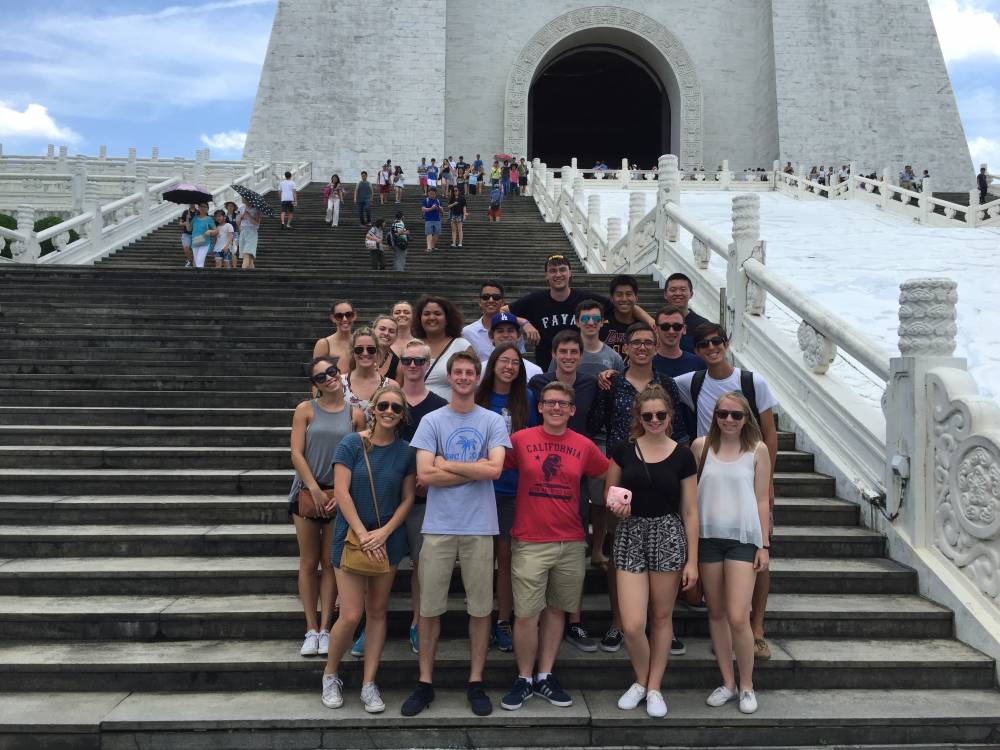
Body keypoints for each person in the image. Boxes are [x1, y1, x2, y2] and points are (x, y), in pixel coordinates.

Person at [402, 351, 511, 718]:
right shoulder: (432, 420)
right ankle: (425, 682)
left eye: (470, 372)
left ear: (478, 378)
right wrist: (472, 468)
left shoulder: (493, 420)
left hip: (480, 526)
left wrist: (446, 463)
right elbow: (425, 477)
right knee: (430, 609)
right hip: (439, 525)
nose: (464, 377)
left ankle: (476, 681)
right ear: (450, 377)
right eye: (458, 372)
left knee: (480, 609)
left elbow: (496, 470)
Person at [499, 381, 609, 711]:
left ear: (572, 410)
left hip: (571, 540)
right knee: (526, 614)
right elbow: (493, 466)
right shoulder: (521, 440)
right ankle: (524, 677)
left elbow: (608, 473)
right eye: (550, 403)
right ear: (541, 407)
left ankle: (545, 674)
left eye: (563, 404)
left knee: (557, 610)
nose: (557, 408)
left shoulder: (585, 445)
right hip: (530, 540)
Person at [672, 322, 778, 659]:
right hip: (711, 471)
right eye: (703, 345)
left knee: (759, 554)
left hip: (748, 473)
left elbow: (769, 433)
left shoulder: (751, 382)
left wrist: (769, 478)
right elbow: (656, 385)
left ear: (727, 343)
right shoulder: (693, 381)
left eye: (716, 342)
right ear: (697, 351)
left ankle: (756, 627)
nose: (711, 348)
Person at [589, 323, 690, 653]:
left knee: (663, 555)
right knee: (619, 552)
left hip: (661, 476)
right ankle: (619, 623)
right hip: (624, 475)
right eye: (636, 342)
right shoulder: (612, 383)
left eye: (649, 342)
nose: (643, 347)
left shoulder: (667, 385)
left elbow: (682, 430)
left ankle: (663, 624)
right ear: (626, 348)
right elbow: (595, 424)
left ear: (656, 346)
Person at [321, 384, 417, 713]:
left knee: (377, 611)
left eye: (397, 408)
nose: (389, 411)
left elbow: (407, 499)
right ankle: (330, 674)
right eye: (384, 405)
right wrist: (364, 534)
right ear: (373, 408)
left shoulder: (406, 452)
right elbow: (342, 492)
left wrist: (385, 532)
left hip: (387, 538)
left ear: (403, 415)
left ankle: (368, 682)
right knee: (350, 614)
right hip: (351, 535)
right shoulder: (351, 443)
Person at [606, 384, 699, 718]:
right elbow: (610, 494)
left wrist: (693, 561)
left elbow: (690, 511)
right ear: (639, 417)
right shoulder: (623, 450)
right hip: (631, 533)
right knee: (631, 624)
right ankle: (643, 681)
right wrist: (616, 509)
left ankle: (653, 686)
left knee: (661, 616)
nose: (655, 420)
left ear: (670, 416)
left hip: (668, 533)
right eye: (648, 415)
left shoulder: (683, 455)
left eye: (661, 414)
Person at [692, 391, 770, 715]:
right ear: (715, 415)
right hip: (708, 537)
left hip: (742, 538)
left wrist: (764, 545)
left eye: (736, 415)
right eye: (723, 413)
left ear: (746, 418)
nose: (728, 420)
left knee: (739, 616)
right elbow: (691, 494)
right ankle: (728, 682)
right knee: (716, 613)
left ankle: (748, 683)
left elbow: (763, 499)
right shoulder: (701, 447)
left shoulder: (757, 450)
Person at [527, 330, 604, 649]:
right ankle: (540, 613)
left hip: (578, 469)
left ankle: (574, 619)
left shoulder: (591, 384)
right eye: (564, 351)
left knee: (575, 544)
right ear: (554, 354)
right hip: (541, 466)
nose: (569, 356)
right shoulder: (537, 384)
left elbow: (598, 421)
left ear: (581, 355)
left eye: (574, 351)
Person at [290, 356, 358, 659]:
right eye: (320, 377)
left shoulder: (354, 414)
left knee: (331, 563)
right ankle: (311, 628)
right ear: (314, 384)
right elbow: (296, 452)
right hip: (307, 490)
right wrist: (314, 488)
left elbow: (357, 457)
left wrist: (336, 492)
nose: (329, 378)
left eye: (331, 372)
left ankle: (327, 627)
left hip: (338, 493)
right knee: (308, 561)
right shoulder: (306, 410)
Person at [476, 343, 539, 654]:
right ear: (493, 364)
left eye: (515, 362)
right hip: (479, 488)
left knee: (505, 558)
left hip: (512, 489)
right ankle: (481, 617)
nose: (510, 367)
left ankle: (502, 620)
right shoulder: (479, 397)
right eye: (504, 361)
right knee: (480, 559)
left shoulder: (525, 398)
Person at [398, 339, 448, 654]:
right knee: (379, 565)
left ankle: (417, 622)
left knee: (421, 565)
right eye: (407, 360)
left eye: (419, 361)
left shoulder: (439, 405)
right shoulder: (387, 400)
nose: (413, 366)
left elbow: (445, 449)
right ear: (400, 363)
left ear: (428, 365)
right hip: (387, 496)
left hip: (423, 498)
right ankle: (366, 624)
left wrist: (431, 476)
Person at [507, 253, 612, 372]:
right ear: (546, 275)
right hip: (547, 372)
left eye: (562, 270)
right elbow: (501, 311)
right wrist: (525, 323)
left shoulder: (586, 299)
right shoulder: (535, 300)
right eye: (552, 271)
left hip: (581, 371)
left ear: (570, 273)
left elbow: (620, 306)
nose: (558, 274)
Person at [411, 295, 473, 400]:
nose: (431, 317)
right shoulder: (412, 346)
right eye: (426, 314)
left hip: (450, 412)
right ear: (420, 318)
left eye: (437, 313)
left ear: (447, 319)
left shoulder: (462, 346)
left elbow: (473, 381)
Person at [549, 299, 624, 378]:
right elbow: (550, 382)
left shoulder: (614, 357)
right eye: (585, 318)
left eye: (596, 318)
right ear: (577, 322)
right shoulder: (563, 354)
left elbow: (622, 386)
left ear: (602, 322)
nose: (591, 323)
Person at [343, 327, 397, 416]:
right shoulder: (339, 383)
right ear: (353, 352)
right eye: (359, 349)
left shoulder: (391, 386)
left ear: (377, 351)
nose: (365, 353)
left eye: (371, 349)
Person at [481, 312, 541, 380]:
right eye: (500, 331)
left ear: (518, 336)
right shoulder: (481, 370)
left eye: (510, 331)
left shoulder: (534, 371)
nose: (505, 335)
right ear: (491, 336)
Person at [663, 273, 711, 353]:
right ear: (665, 294)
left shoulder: (703, 325)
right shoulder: (659, 323)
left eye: (683, 289)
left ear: (691, 294)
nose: (678, 293)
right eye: (673, 290)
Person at [462, 280, 509, 361]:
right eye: (485, 297)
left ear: (503, 302)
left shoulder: (512, 330)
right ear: (480, 302)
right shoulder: (467, 332)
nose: (491, 300)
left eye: (496, 297)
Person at [602, 274, 643, 361]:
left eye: (629, 294)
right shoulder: (601, 324)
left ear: (636, 298)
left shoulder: (643, 326)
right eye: (619, 295)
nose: (624, 299)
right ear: (611, 298)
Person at [313, 301, 356, 372]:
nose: (344, 319)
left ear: (354, 316)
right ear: (333, 318)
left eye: (348, 315)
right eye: (339, 316)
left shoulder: (360, 343)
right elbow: (316, 375)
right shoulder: (324, 344)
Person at [371, 314, 401, 381]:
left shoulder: (397, 363)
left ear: (396, 336)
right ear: (373, 331)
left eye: (391, 331)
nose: (386, 333)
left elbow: (397, 390)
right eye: (382, 329)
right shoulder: (359, 354)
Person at [189, 202, 215, 269]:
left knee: (200, 260)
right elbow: (189, 229)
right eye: (201, 206)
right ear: (198, 208)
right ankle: (196, 276)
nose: (202, 208)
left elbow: (216, 230)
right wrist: (187, 219)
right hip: (195, 241)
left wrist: (210, 231)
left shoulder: (209, 219)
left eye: (204, 206)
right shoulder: (195, 218)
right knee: (196, 260)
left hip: (205, 242)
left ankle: (199, 276)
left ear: (207, 209)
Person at [237, 197, 260, 270]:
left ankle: (242, 272)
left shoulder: (256, 209)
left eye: (244, 197)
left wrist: (249, 216)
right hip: (243, 231)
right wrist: (240, 217)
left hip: (252, 232)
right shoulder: (241, 208)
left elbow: (257, 223)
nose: (242, 198)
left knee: (246, 253)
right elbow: (237, 222)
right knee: (249, 258)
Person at [421, 187, 443, 253]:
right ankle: (429, 247)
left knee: (437, 234)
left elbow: (442, 211)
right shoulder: (425, 200)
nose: (431, 195)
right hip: (428, 219)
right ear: (428, 193)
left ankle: (432, 246)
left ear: (435, 194)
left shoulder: (438, 201)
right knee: (429, 233)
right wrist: (431, 208)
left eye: (433, 194)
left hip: (437, 219)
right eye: (430, 194)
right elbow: (423, 209)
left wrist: (439, 208)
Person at [179, 203, 195, 267]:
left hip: (195, 234)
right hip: (186, 233)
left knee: (195, 249)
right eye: (190, 202)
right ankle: (189, 260)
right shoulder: (185, 212)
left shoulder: (198, 212)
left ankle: (195, 261)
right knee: (186, 247)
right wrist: (185, 223)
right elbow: (180, 223)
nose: (191, 204)